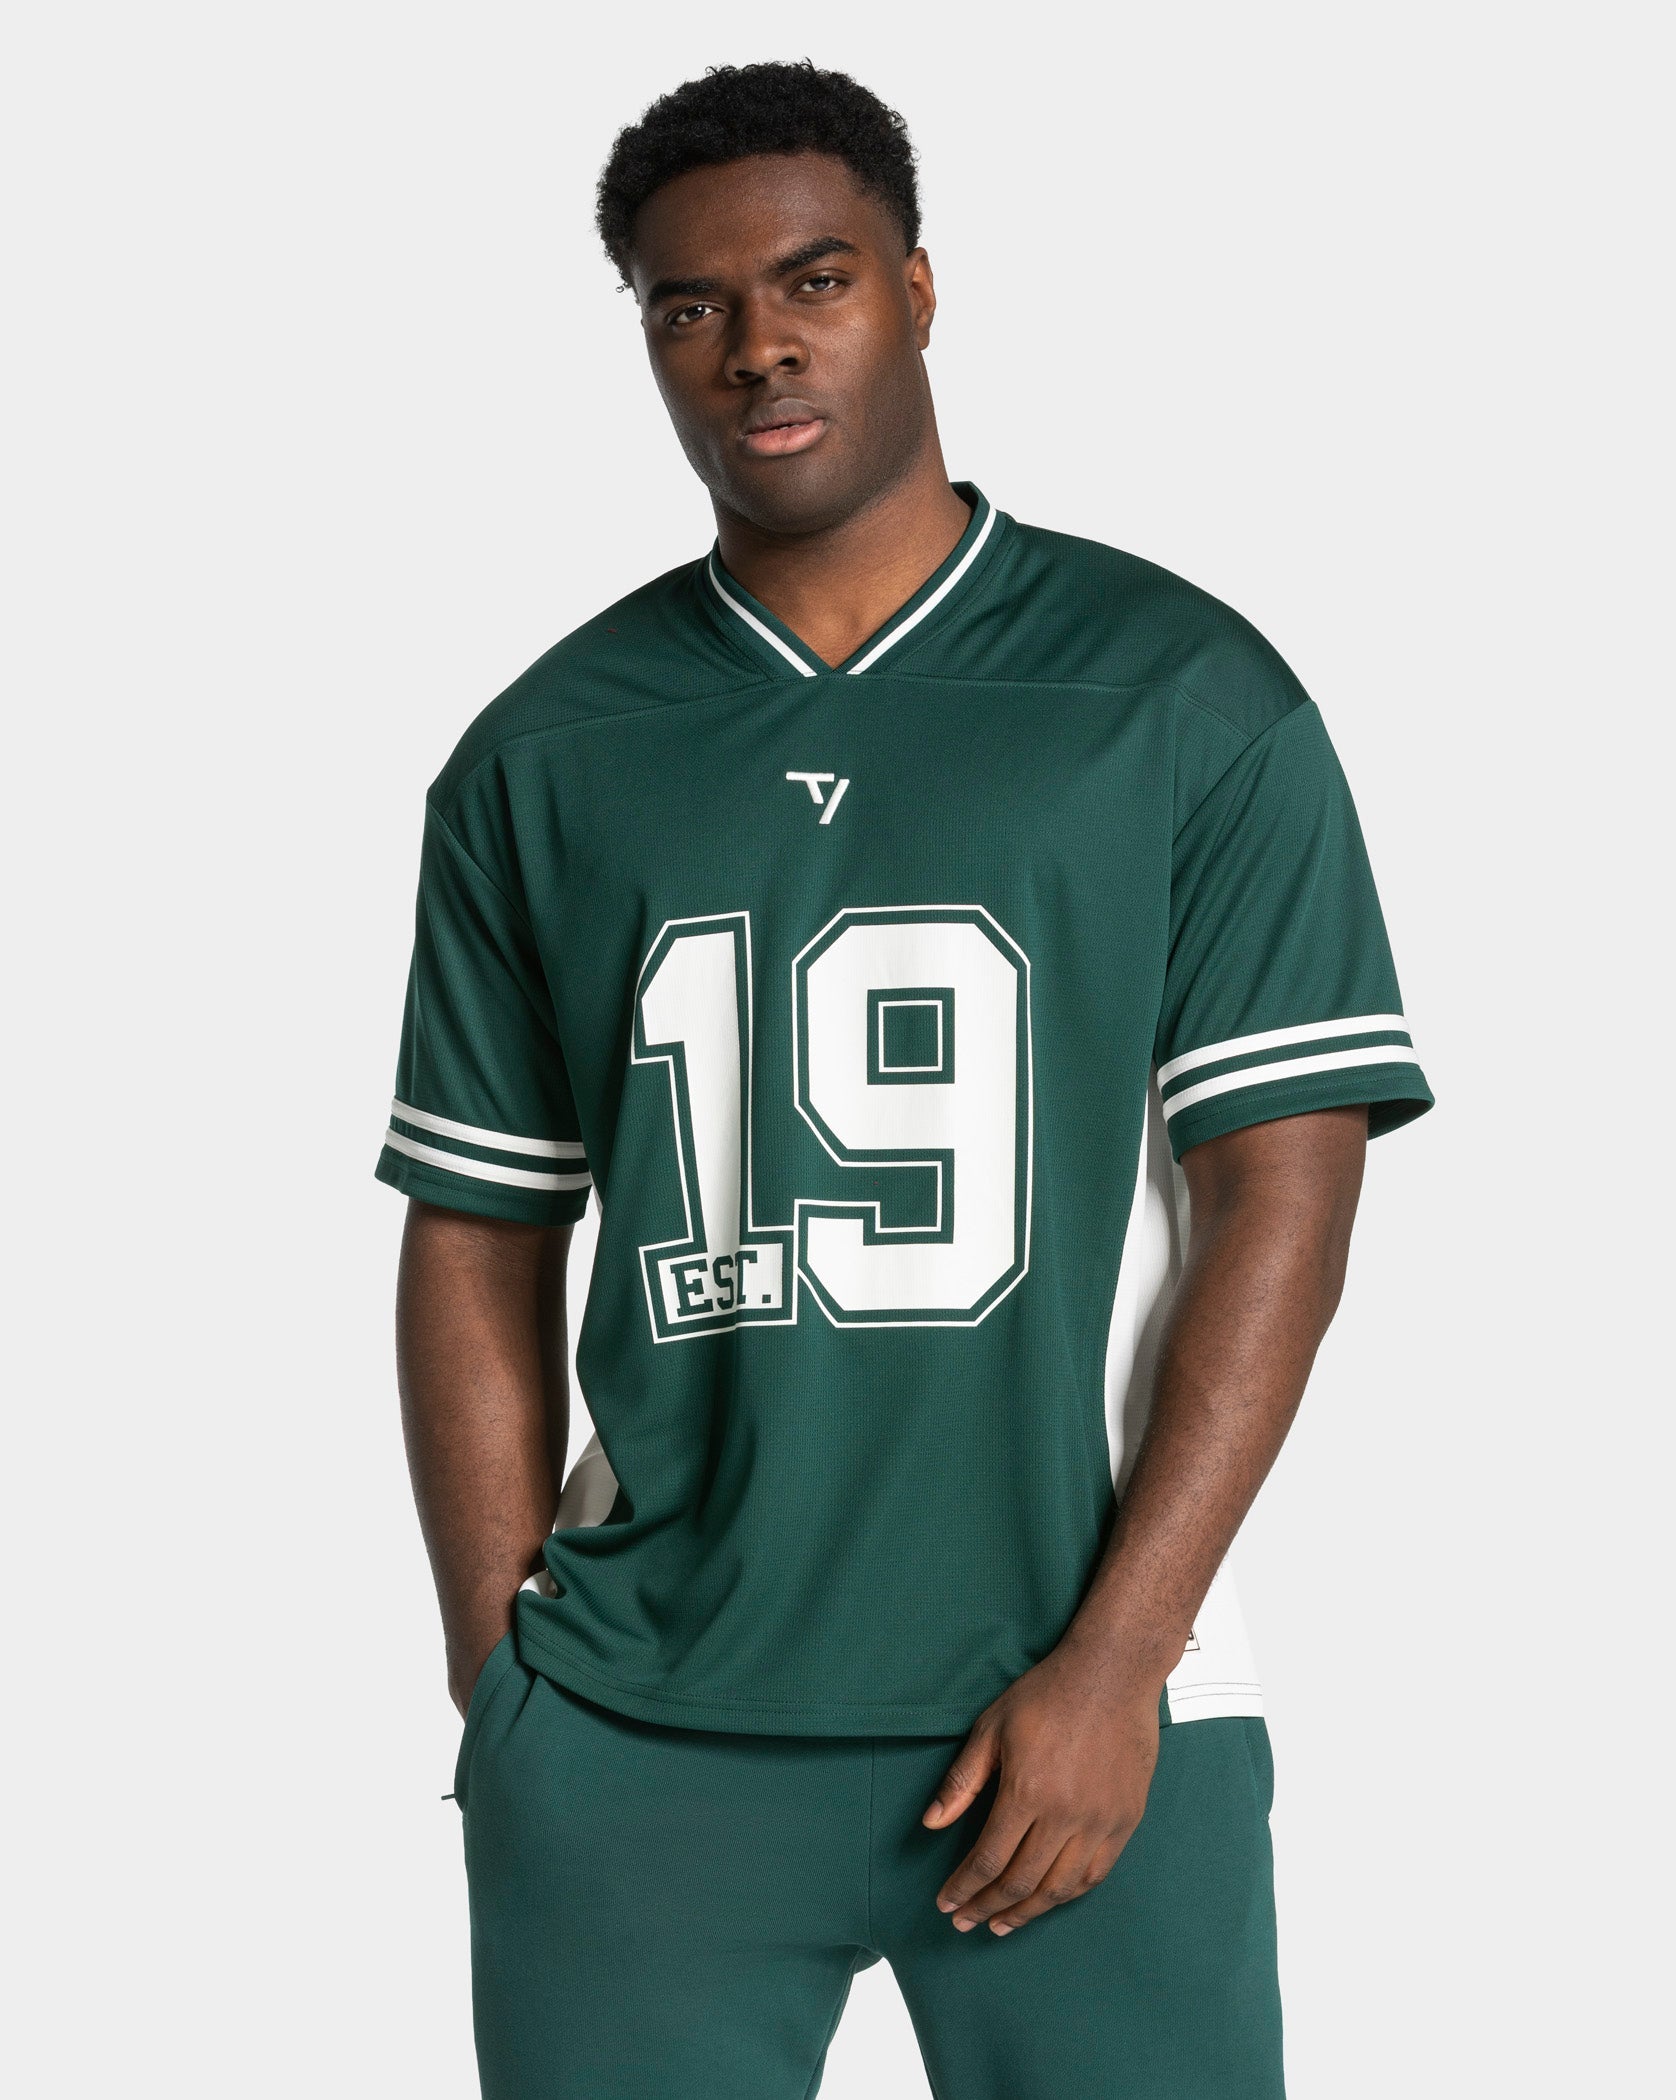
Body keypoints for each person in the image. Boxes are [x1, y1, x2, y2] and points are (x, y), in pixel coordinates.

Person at [377, 60, 1433, 2100]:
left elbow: (1286, 1196)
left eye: (815, 278)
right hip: (642, 1730)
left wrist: (1119, 1659)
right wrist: (502, 1692)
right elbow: (478, 1227)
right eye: (689, 306)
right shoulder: (546, 749)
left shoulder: (1180, 693)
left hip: (1087, 1721)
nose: (756, 346)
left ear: (920, 289)